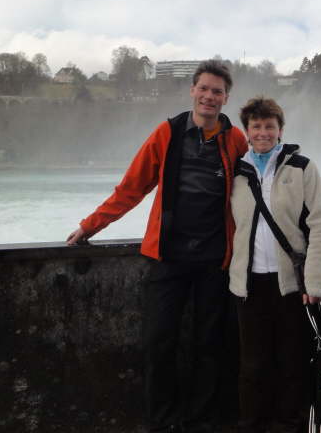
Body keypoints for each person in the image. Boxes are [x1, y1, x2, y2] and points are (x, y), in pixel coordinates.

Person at [66, 60, 248, 433]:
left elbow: (257, 190)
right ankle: (161, 423)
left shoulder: (236, 141)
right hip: (168, 257)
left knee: (210, 346)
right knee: (158, 343)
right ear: (193, 91)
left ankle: (201, 422)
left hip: (215, 260)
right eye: (204, 88)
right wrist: (90, 225)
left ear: (226, 98)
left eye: (217, 91)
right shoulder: (167, 133)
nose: (209, 96)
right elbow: (132, 188)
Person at [229, 96, 321, 433]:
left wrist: (315, 282)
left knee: (292, 360)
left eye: (269, 126)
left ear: (280, 130)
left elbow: (319, 224)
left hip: (291, 284)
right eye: (256, 126)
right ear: (247, 131)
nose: (263, 132)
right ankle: (251, 425)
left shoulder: (302, 168)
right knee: (252, 364)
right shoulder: (236, 172)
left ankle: (290, 425)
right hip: (249, 283)